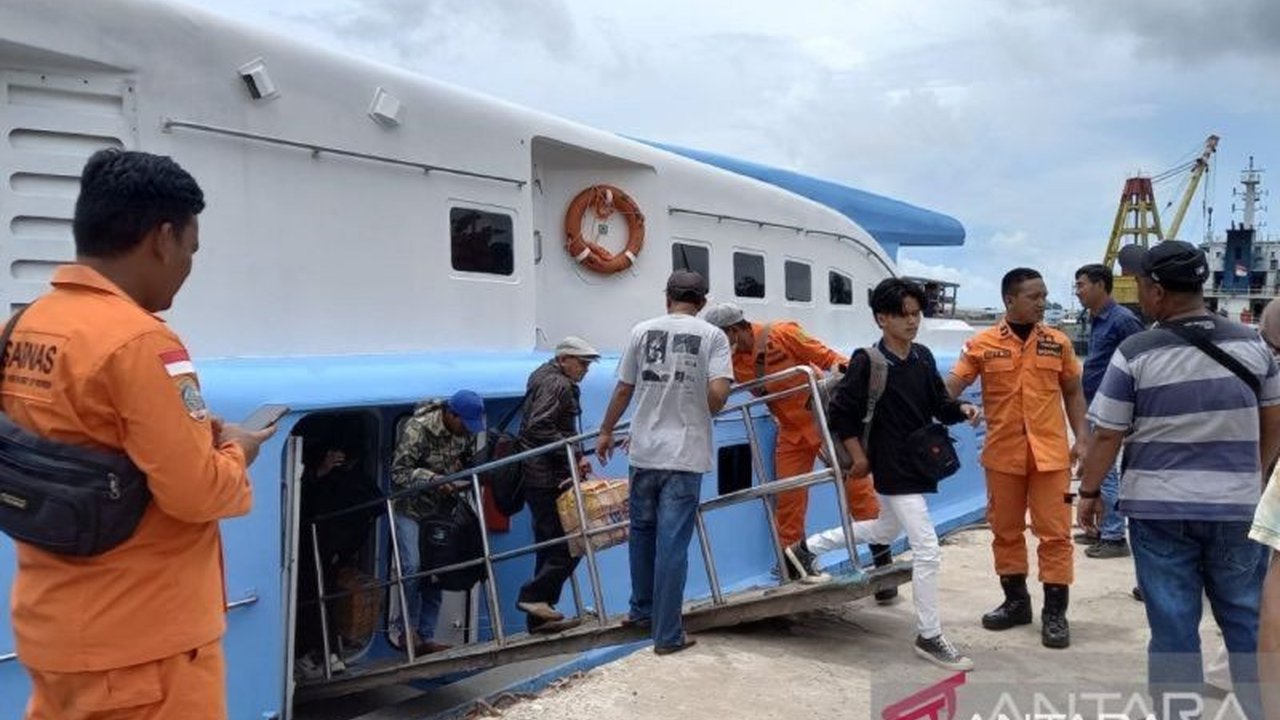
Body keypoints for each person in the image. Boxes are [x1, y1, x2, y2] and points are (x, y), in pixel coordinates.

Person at [5, 149, 274, 719]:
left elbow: (83, 444)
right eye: (190, 250)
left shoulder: (24, 328)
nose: (187, 266)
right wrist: (236, 451)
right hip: (144, 651)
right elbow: (196, 493)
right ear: (163, 237)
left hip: (53, 634)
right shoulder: (143, 345)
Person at [1080, 241, 1280, 720]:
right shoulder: (1253, 345)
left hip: (1159, 511)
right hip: (1237, 509)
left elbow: (1107, 434)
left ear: (1156, 290)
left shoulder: (1136, 351)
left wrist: (1088, 493)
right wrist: (1251, 476)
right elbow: (1274, 422)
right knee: (1247, 621)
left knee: (1172, 630)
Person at [792, 279, 981, 670]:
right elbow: (842, 414)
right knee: (926, 548)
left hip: (917, 460)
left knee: (883, 531)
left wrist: (961, 409)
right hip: (890, 463)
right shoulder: (868, 362)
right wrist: (859, 458)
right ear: (882, 318)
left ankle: (805, 549)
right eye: (903, 315)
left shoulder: (923, 357)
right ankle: (929, 636)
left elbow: (938, 404)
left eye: (916, 313)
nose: (913, 321)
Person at [700, 302, 887, 592]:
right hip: (790, 431)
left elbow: (829, 359)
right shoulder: (728, 360)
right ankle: (795, 568)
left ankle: (883, 566)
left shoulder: (784, 333)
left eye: (721, 337)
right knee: (789, 499)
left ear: (736, 329)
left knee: (858, 492)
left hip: (826, 422)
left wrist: (858, 396)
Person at [946, 267, 1087, 649]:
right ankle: (1016, 602)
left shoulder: (1058, 343)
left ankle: (1055, 613)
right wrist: (958, 406)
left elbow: (1073, 392)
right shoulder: (982, 344)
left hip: (1051, 457)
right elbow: (952, 387)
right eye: (1034, 297)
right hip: (1003, 456)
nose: (1043, 303)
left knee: (1056, 534)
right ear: (1010, 299)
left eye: (1044, 296)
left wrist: (1084, 438)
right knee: (1005, 531)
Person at [595, 270, 732, 656]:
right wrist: (707, 396)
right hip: (685, 457)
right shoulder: (714, 336)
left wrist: (606, 431)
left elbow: (624, 387)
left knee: (641, 535)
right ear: (702, 302)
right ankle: (667, 634)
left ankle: (640, 611)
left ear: (667, 296)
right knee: (672, 545)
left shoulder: (641, 331)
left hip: (644, 452)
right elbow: (719, 394)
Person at [387, 390, 486, 654]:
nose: (467, 430)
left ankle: (426, 634)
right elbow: (398, 473)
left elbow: (463, 460)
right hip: (410, 508)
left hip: (441, 512)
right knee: (412, 566)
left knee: (437, 569)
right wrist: (431, 479)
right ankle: (403, 629)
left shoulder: (465, 432)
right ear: (451, 414)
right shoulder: (418, 429)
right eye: (464, 423)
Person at [516, 336, 601, 633]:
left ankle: (539, 617)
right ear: (564, 359)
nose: (586, 369)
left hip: (537, 475)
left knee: (549, 544)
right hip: (547, 477)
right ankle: (533, 597)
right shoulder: (559, 384)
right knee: (571, 545)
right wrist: (573, 455)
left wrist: (573, 456)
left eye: (588, 364)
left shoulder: (541, 374)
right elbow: (539, 426)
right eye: (582, 363)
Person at [1072, 263, 1145, 558]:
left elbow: (1140, 362)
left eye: (1082, 285)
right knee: (1095, 467)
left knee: (1104, 470)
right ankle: (1100, 528)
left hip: (1112, 409)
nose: (1078, 292)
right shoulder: (1098, 319)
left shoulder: (1123, 320)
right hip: (1094, 404)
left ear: (1101, 285)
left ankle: (1114, 535)